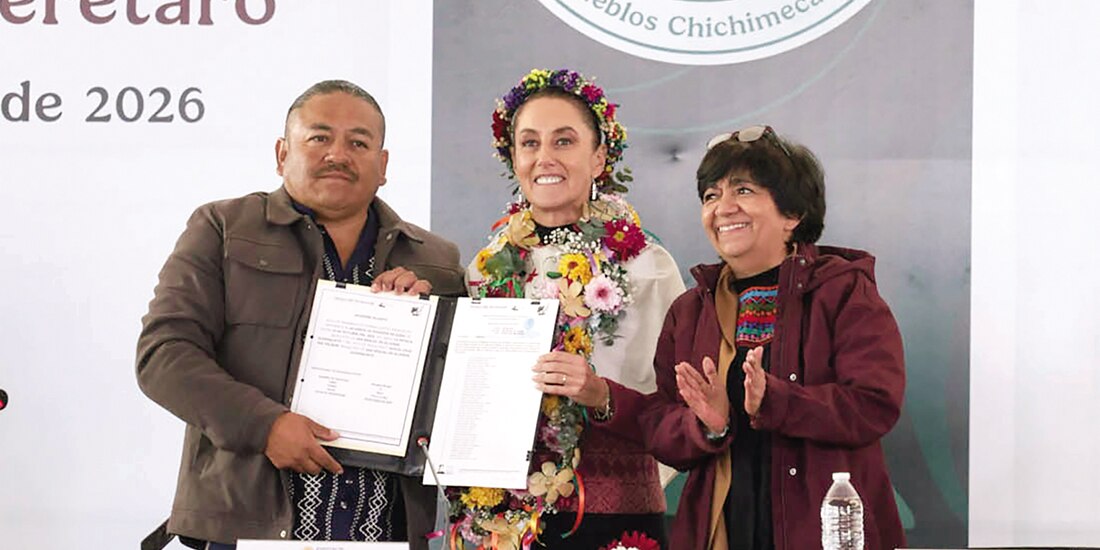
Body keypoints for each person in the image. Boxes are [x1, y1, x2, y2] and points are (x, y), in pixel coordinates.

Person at [136, 80, 465, 550]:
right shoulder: (223, 228)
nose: (338, 154)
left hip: (386, 534)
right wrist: (263, 425)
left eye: (358, 142)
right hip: (245, 530)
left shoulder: (435, 258)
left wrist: (431, 322)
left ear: (383, 165)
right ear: (281, 153)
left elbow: (458, 394)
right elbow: (163, 356)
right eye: (319, 137)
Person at [597, 125, 907, 550]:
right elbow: (664, 428)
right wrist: (706, 425)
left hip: (819, 530)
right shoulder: (689, 311)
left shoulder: (844, 291)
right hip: (722, 525)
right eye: (710, 196)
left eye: (743, 191)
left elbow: (875, 405)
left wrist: (777, 401)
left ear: (793, 214)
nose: (723, 208)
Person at [454, 69, 686, 550]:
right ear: (513, 158)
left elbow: (675, 409)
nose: (545, 158)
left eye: (564, 141)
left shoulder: (646, 264)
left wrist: (599, 394)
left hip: (612, 512)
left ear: (599, 157)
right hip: (501, 519)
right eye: (529, 143)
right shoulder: (486, 266)